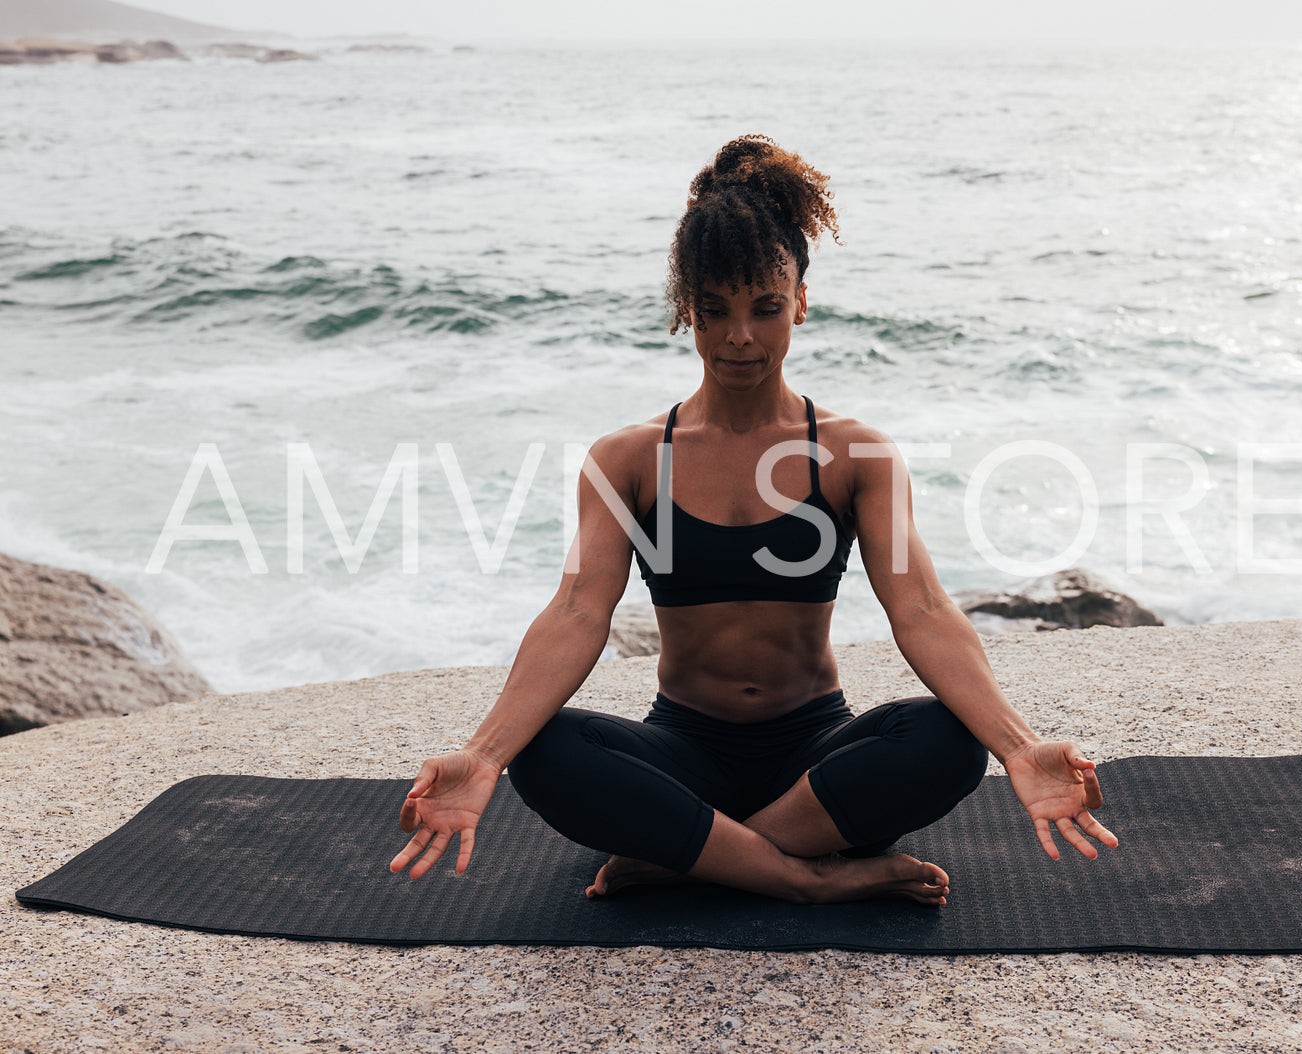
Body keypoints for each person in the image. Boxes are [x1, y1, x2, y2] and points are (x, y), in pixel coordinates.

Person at [390, 134, 1117, 905]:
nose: (740, 336)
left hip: (815, 759)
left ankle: (692, 855)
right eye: (716, 311)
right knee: (545, 753)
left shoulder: (852, 454)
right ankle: (804, 879)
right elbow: (577, 611)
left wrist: (1019, 745)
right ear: (686, 312)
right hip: (681, 747)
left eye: (765, 309)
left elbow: (923, 609)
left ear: (800, 302)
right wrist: (482, 755)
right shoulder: (629, 458)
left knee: (944, 740)